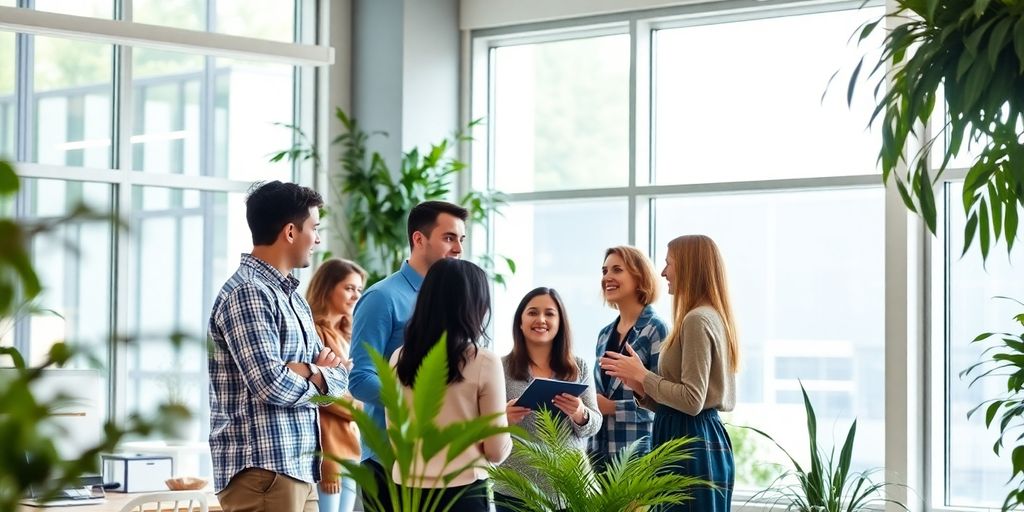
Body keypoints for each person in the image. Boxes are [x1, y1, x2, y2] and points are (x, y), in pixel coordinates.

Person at [209, 181, 350, 512]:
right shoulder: (248, 293)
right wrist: (320, 373)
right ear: (290, 231)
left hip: (299, 469)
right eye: (314, 228)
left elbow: (339, 378)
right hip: (264, 472)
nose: (317, 239)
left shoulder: (294, 299)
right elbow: (270, 384)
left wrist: (308, 372)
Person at [600, 234, 739, 512]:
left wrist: (643, 376)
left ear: (690, 266)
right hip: (689, 436)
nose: (663, 272)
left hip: (689, 442)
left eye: (669, 264)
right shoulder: (705, 316)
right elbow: (686, 399)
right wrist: (642, 389)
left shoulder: (697, 319)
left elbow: (692, 399)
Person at [348, 201, 469, 510]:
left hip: (446, 460)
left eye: (461, 239)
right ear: (419, 239)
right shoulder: (381, 298)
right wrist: (418, 405)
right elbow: (360, 378)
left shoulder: (455, 300)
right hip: (390, 459)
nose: (458, 248)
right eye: (449, 237)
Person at [391, 258, 512, 512]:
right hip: (463, 492)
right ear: (474, 306)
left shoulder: (398, 358)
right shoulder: (484, 361)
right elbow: (496, 451)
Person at [496, 287, 602, 512]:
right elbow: (481, 424)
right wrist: (502, 418)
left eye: (550, 313)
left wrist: (580, 413)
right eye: (533, 312)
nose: (541, 319)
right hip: (515, 488)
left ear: (560, 322)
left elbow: (594, 423)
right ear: (520, 322)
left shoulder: (578, 366)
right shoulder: (500, 368)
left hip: (570, 488)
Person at [590, 246, 667, 469]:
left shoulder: (656, 329)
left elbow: (662, 402)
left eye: (617, 270)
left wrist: (612, 407)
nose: (607, 277)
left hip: (637, 455)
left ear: (639, 276)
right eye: (604, 271)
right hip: (600, 453)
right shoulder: (604, 334)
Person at [306, 258, 368, 512]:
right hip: (328, 451)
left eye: (359, 290)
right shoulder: (313, 333)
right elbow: (318, 391)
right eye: (349, 288)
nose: (356, 296)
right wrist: (361, 408)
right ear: (327, 287)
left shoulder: (345, 336)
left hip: (350, 447)